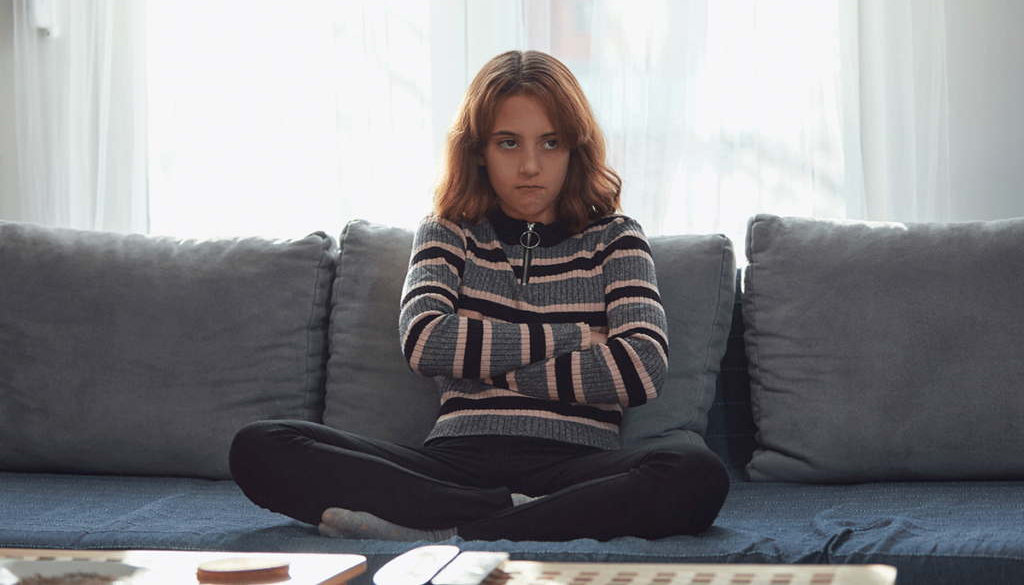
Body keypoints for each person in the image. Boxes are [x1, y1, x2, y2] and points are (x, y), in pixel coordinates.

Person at [229, 50, 729, 542]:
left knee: (696, 473)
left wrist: (478, 357)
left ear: (575, 149)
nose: (531, 165)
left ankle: (449, 527)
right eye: (508, 143)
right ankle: (523, 518)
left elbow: (641, 367)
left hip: (578, 465)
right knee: (260, 447)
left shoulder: (616, 237)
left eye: (550, 143)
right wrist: (575, 336)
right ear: (479, 151)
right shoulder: (447, 231)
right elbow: (426, 342)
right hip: (453, 462)